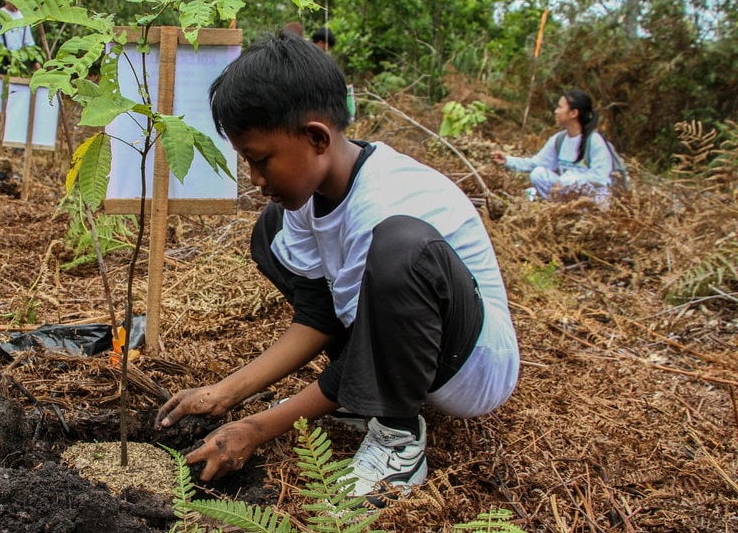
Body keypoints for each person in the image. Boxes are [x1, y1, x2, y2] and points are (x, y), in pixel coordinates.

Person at [155, 32, 520, 506]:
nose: (256, 180)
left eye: (261, 160)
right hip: (408, 349)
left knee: (402, 247)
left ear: (316, 137)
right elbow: (320, 318)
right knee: (271, 231)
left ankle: (398, 436)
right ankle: (368, 398)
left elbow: (364, 339)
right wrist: (226, 393)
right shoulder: (310, 198)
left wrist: (257, 428)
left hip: (470, 367)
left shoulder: (385, 205)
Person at [491, 90, 614, 205]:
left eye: (560, 107)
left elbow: (601, 177)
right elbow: (536, 164)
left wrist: (568, 180)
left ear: (573, 113)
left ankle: (577, 213)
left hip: (592, 198)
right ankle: (559, 211)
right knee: (538, 174)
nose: (556, 111)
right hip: (567, 194)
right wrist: (507, 160)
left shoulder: (594, 141)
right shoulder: (559, 140)